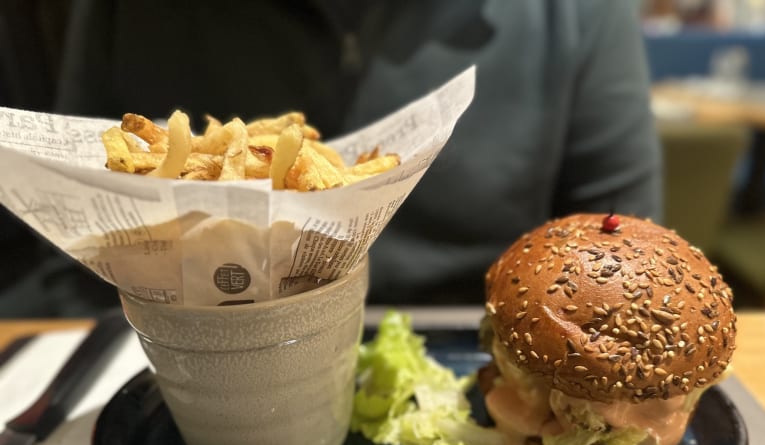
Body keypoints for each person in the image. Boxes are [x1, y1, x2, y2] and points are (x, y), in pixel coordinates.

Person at [0, 0, 661, 315]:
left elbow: (628, 255)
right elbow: (79, 253)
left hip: (466, 345)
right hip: (192, 346)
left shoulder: (579, 14)